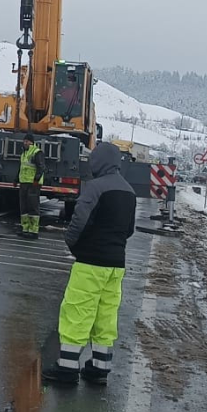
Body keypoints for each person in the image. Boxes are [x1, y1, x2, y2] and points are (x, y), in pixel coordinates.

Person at [42, 141, 136, 386]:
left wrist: (73, 245)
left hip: (90, 263)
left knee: (77, 312)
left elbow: (78, 223)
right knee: (106, 315)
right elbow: (129, 230)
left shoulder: (95, 188)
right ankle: (99, 368)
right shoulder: (129, 191)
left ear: (98, 162)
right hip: (116, 266)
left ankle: (67, 368)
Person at [17, 133, 46, 239]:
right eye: (24, 141)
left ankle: (34, 231)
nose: (25, 143)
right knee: (23, 207)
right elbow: (21, 167)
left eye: (27, 141)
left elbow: (41, 167)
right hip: (24, 183)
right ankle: (25, 229)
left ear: (31, 142)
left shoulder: (37, 152)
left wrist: (36, 180)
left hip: (33, 184)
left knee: (33, 206)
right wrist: (16, 179)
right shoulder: (24, 153)